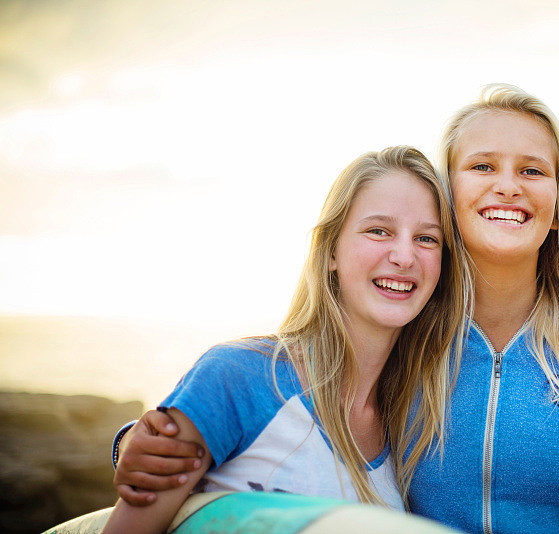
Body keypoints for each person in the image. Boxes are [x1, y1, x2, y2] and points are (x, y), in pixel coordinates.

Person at [111, 85, 559, 533]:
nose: (508, 186)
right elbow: (313, 399)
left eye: (533, 170)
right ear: (449, 198)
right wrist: (151, 437)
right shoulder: (417, 330)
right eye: (482, 166)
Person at [102, 146, 469, 533]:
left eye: (427, 239)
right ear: (331, 250)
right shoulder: (236, 377)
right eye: (379, 231)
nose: (404, 256)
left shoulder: (415, 429)